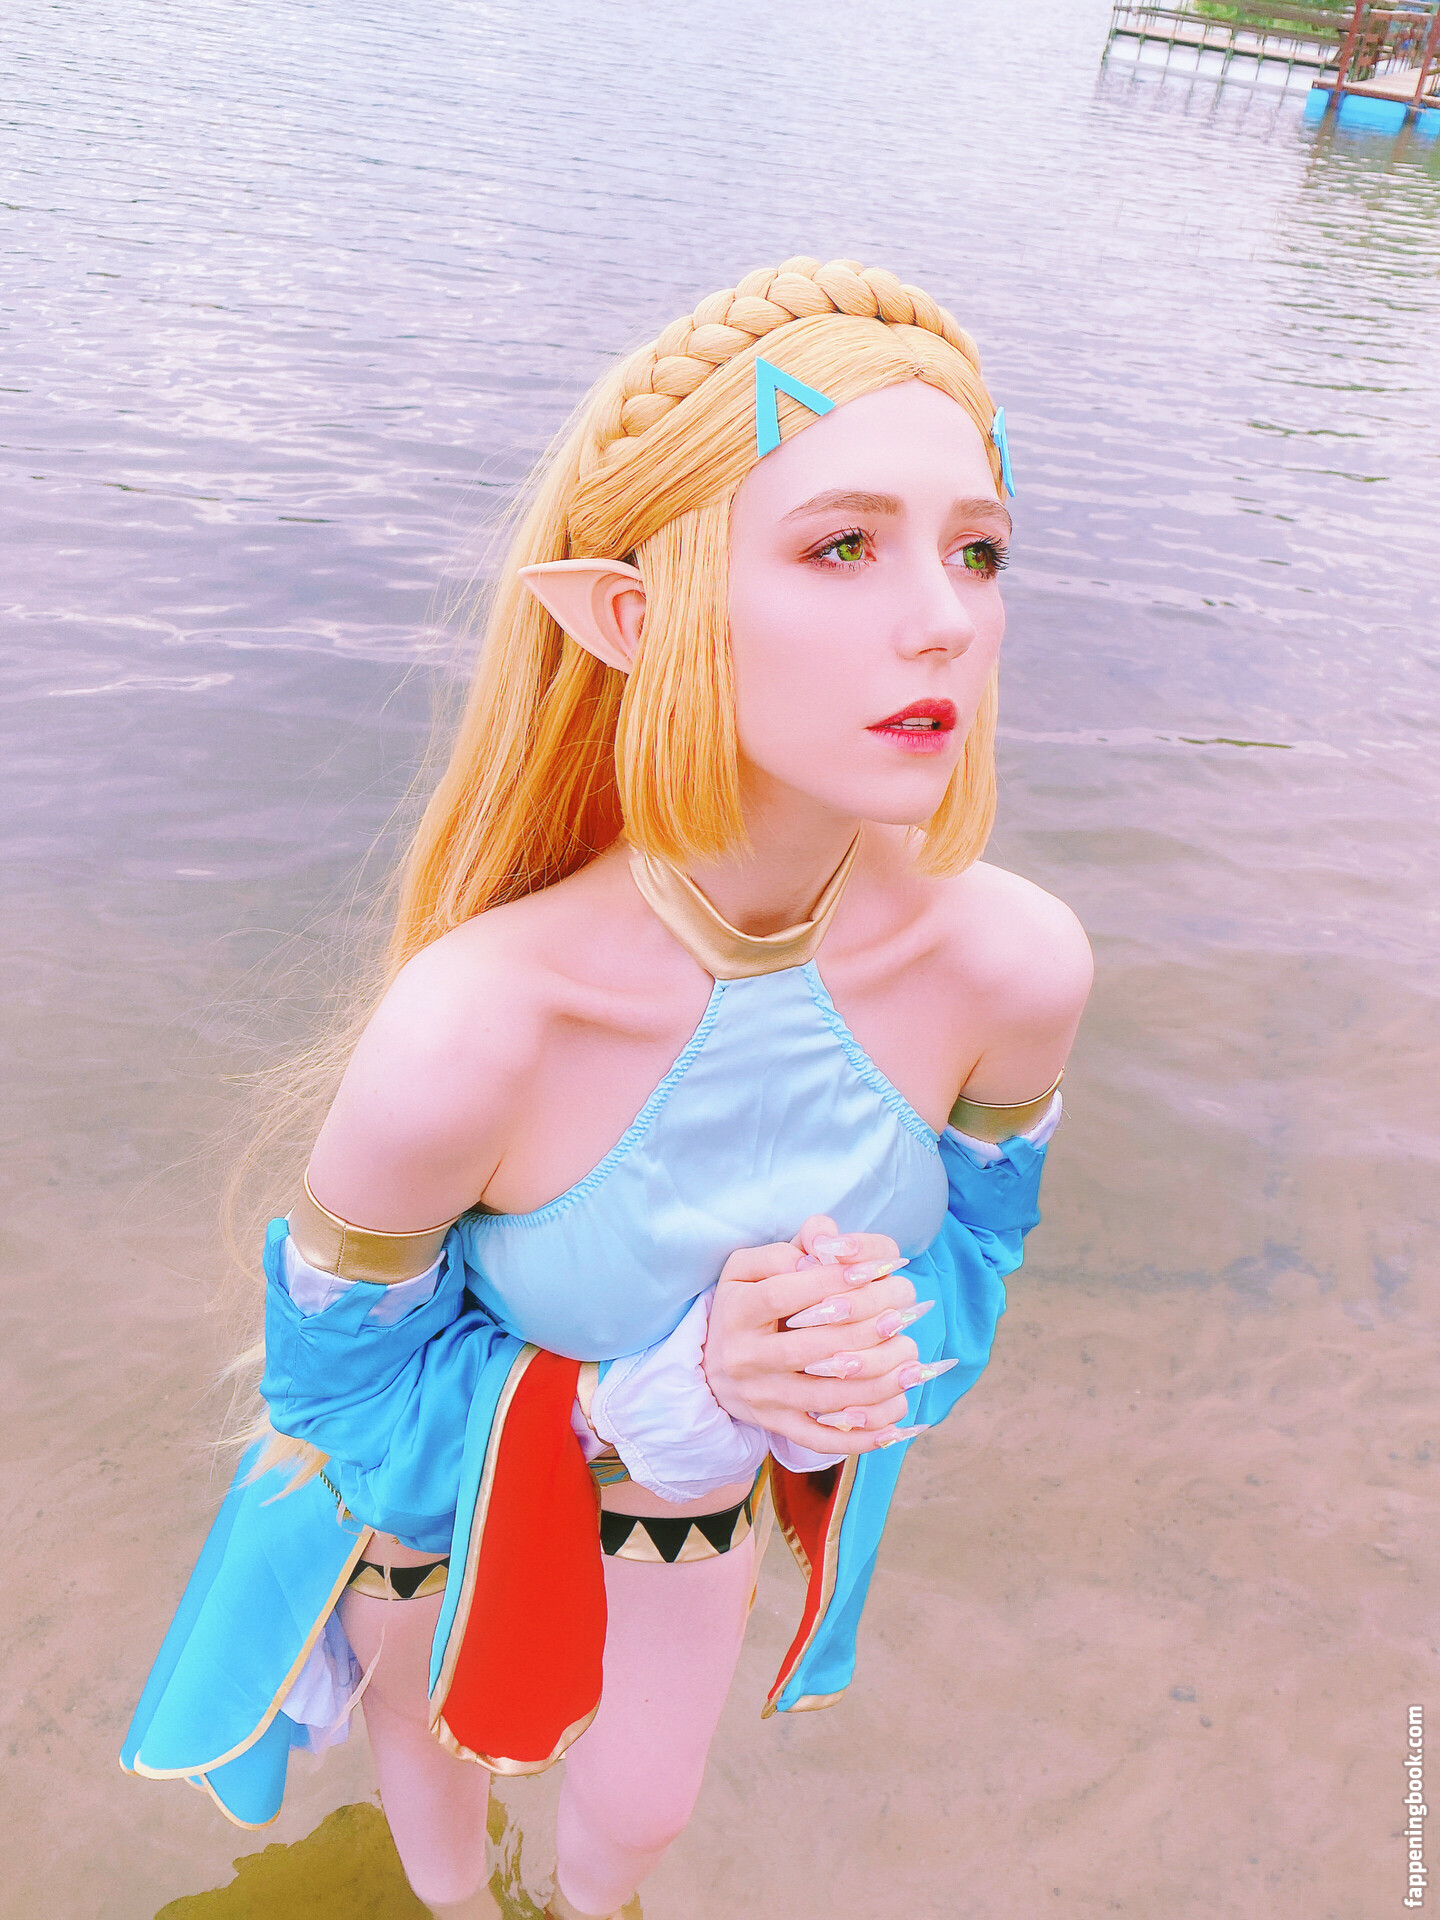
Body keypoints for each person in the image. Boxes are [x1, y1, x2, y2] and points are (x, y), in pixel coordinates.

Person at [122, 257, 1092, 1920]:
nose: (944, 616)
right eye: (843, 545)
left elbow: (971, 1273)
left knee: (638, 1813)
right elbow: (339, 1406)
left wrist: (843, 1357)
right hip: (440, 1513)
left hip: (685, 1509)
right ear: (629, 616)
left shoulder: (1014, 968)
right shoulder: (477, 1026)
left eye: (977, 550)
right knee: (440, 1796)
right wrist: (654, 1385)